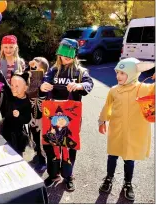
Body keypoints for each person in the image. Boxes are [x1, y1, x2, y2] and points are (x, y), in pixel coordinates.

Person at [39, 38, 94, 191]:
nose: (66, 57)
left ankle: (68, 176)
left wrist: (80, 85)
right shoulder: (52, 70)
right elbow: (43, 85)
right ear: (59, 54)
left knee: (69, 146)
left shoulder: (81, 72)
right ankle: (53, 174)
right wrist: (43, 86)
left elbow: (89, 84)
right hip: (52, 115)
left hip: (72, 115)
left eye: (70, 54)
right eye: (64, 54)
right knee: (51, 144)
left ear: (75, 54)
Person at [98, 57, 155, 201]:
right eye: (117, 72)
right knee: (112, 155)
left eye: (123, 73)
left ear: (132, 73)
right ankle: (109, 178)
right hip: (116, 130)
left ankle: (127, 183)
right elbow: (107, 107)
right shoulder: (114, 90)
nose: (118, 76)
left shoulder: (144, 88)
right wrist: (102, 121)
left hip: (133, 132)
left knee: (129, 158)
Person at [0, 70, 32, 156]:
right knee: (2, 150)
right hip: (5, 126)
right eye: (12, 85)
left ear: (25, 88)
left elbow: (27, 119)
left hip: (16, 133)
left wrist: (19, 115)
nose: (13, 88)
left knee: (15, 153)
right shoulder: (11, 94)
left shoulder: (26, 102)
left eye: (17, 86)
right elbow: (4, 84)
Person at [27, 57, 49, 172]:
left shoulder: (45, 82)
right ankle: (37, 155)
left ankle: (43, 160)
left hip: (41, 117)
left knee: (41, 140)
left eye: (36, 68)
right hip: (32, 115)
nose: (33, 70)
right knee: (34, 137)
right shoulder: (30, 80)